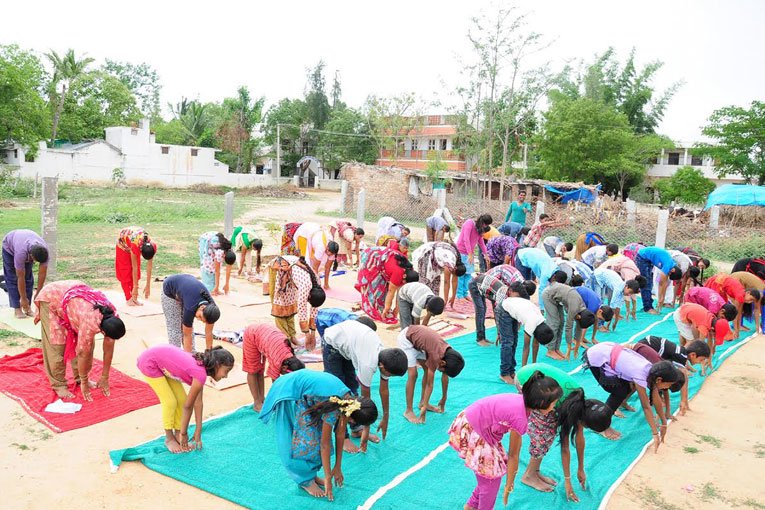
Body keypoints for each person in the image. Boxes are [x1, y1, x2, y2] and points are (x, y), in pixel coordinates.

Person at [448, 372, 562, 510]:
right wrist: (509, 485)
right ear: (542, 403)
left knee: (489, 475)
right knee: (491, 479)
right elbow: (514, 455)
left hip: (472, 422)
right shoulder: (520, 418)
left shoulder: (522, 402)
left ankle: (471, 506)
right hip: (475, 430)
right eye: (553, 403)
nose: (554, 407)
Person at [259, 370, 378, 500]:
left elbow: (339, 434)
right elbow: (325, 444)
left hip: (307, 397)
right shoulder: (335, 405)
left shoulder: (348, 402)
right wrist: (328, 476)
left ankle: (311, 475)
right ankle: (305, 481)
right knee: (303, 443)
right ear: (353, 419)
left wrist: (337, 466)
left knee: (314, 437)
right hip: (289, 392)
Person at [515, 363, 611, 499]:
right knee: (544, 434)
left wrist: (580, 469)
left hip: (540, 377)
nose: (585, 428)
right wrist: (567, 481)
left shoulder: (585, 406)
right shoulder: (570, 407)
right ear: (586, 422)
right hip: (526, 380)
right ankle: (529, 475)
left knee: (549, 431)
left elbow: (579, 438)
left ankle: (535, 471)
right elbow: (565, 447)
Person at [321, 319, 407, 452]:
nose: (389, 377)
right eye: (390, 374)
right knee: (339, 395)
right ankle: (343, 438)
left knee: (351, 388)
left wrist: (386, 416)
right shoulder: (368, 364)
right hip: (332, 343)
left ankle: (356, 429)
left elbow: (384, 390)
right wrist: (367, 430)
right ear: (382, 366)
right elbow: (365, 403)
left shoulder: (385, 357)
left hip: (349, 344)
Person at [33, 280, 126, 400]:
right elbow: (83, 353)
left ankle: (78, 377)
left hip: (74, 300)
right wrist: (84, 382)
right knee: (57, 344)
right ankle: (59, 384)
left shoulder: (112, 315)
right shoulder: (89, 322)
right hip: (52, 297)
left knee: (87, 346)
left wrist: (105, 377)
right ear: (102, 332)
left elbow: (108, 348)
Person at [584, 342, 681, 449]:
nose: (667, 388)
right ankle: (602, 427)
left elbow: (656, 398)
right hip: (597, 355)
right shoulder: (641, 374)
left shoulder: (652, 372)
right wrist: (655, 433)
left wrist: (664, 423)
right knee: (619, 392)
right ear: (659, 380)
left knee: (625, 388)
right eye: (669, 384)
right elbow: (646, 407)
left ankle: (617, 407)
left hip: (608, 351)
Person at [138, 345, 234, 453]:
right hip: (149, 363)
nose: (226, 376)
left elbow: (198, 403)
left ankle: (177, 433)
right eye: (226, 371)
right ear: (217, 365)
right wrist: (184, 433)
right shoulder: (200, 373)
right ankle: (169, 438)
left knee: (182, 399)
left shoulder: (202, 370)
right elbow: (188, 406)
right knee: (170, 402)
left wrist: (198, 431)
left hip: (163, 363)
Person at [398, 325, 465, 424]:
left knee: (426, 368)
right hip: (406, 339)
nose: (441, 372)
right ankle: (408, 410)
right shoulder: (436, 356)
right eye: (441, 371)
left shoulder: (448, 355)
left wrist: (444, 397)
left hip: (419, 343)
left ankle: (422, 402)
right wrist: (424, 409)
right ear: (443, 363)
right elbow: (430, 384)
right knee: (413, 374)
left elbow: (445, 378)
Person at [635, 336, 711, 415]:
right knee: (657, 375)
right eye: (701, 360)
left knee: (662, 373)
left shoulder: (682, 353)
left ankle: (658, 396)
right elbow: (684, 378)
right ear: (693, 355)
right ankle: (655, 399)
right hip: (645, 347)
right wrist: (683, 401)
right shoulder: (680, 356)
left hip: (648, 344)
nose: (700, 362)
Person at [242, 323, 305, 411]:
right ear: (284, 368)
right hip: (252, 335)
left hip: (266, 336)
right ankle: (257, 403)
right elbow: (276, 385)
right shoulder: (278, 361)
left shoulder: (289, 354)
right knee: (253, 370)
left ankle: (262, 399)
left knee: (260, 370)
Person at [269, 256, 326, 349]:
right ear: (309, 296)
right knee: (280, 307)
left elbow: (314, 309)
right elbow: (302, 310)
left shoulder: (317, 286)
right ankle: (286, 339)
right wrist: (307, 335)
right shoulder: (305, 287)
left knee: (290, 304)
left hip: (291, 273)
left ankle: (292, 337)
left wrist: (313, 333)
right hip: (280, 268)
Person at [541, 276, 596, 361]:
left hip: (557, 297)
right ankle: (550, 350)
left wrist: (577, 346)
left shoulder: (583, 310)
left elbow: (579, 328)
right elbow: (569, 328)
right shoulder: (575, 309)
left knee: (561, 322)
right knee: (555, 322)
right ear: (579, 316)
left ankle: (556, 349)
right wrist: (569, 349)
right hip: (548, 295)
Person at [161, 274, 220, 352]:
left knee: (189, 328)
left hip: (185, 290)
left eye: (203, 321)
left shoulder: (212, 310)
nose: (199, 320)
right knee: (175, 328)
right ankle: (175, 354)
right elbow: (187, 334)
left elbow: (209, 332)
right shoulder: (190, 308)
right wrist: (188, 360)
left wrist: (209, 354)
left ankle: (192, 354)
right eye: (200, 317)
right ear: (202, 308)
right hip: (170, 288)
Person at [356, 246, 413, 324]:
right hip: (372, 257)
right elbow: (391, 292)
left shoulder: (410, 270)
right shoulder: (398, 273)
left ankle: (380, 306)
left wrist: (396, 309)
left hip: (384, 260)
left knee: (382, 288)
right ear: (404, 277)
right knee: (373, 286)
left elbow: (401, 294)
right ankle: (371, 305)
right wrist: (386, 309)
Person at [500, 294, 554, 372]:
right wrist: (523, 370)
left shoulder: (541, 322)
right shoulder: (531, 324)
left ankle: (524, 367)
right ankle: (505, 372)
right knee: (509, 342)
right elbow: (526, 347)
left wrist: (534, 365)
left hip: (517, 304)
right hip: (504, 308)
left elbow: (535, 345)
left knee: (513, 341)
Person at [2, 229, 48, 319]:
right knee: (13, 278)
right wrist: (23, 298)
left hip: (25, 242)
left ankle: (27, 308)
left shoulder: (44, 252)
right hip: (10, 247)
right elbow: (20, 277)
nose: (34, 262)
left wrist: (38, 292)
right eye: (34, 260)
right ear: (31, 255)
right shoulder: (21, 253)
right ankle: (17, 308)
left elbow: (42, 273)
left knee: (28, 278)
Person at [674, 302, 732, 373]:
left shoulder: (713, 320)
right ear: (713, 330)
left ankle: (684, 363)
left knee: (686, 338)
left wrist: (709, 359)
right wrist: (703, 369)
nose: (714, 337)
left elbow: (710, 343)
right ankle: (680, 363)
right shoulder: (704, 326)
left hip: (688, 309)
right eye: (715, 335)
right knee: (690, 341)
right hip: (680, 314)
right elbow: (700, 347)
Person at [705, 273, 761, 338]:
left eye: (751, 302)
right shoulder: (740, 296)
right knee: (716, 307)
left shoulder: (742, 295)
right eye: (751, 299)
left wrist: (737, 329)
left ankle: (720, 329)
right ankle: (711, 329)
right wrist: (736, 330)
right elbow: (735, 315)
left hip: (722, 285)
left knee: (724, 306)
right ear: (748, 293)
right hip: (718, 282)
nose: (749, 302)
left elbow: (739, 313)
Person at [411, 241, 465, 307]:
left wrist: (453, 296)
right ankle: (419, 301)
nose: (452, 274)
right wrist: (445, 299)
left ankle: (432, 302)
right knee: (425, 280)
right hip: (428, 253)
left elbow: (454, 281)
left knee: (436, 281)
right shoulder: (450, 264)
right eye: (453, 273)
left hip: (436, 256)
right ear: (455, 268)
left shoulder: (457, 263)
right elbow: (446, 282)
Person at [115, 226, 156, 306]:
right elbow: (134, 268)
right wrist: (135, 287)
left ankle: (134, 298)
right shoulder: (135, 245)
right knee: (126, 270)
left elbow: (149, 267)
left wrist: (148, 285)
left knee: (137, 272)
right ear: (141, 251)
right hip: (123, 245)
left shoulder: (152, 246)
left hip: (134, 242)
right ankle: (129, 298)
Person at [634, 246, 682, 314]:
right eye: (669, 274)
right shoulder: (668, 265)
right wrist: (660, 299)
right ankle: (648, 308)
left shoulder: (671, 266)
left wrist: (662, 299)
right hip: (642, 257)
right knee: (646, 283)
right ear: (673, 271)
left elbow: (665, 283)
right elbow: (661, 283)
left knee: (649, 283)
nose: (668, 274)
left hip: (648, 260)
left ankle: (649, 305)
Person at [455, 214, 493, 300]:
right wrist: (469, 254)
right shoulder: (469, 223)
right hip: (462, 251)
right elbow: (466, 239)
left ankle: (465, 293)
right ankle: (459, 295)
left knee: (468, 274)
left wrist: (486, 254)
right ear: (483, 222)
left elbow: (480, 241)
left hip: (469, 253)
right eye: (486, 224)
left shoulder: (479, 228)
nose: (486, 226)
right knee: (461, 274)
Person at [294, 222, 340, 290]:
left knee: (312, 263)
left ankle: (313, 283)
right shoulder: (321, 247)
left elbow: (328, 267)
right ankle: (302, 283)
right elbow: (315, 268)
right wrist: (317, 284)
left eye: (331, 254)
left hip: (315, 234)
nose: (329, 255)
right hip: (304, 233)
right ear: (327, 249)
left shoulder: (332, 248)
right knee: (304, 261)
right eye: (328, 253)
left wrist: (326, 284)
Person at [601, 253, 645, 322]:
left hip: (615, 268)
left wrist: (634, 309)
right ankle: (611, 313)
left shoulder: (636, 274)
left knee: (617, 292)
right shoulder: (629, 275)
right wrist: (628, 311)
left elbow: (632, 293)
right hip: (606, 268)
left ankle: (614, 312)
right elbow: (627, 293)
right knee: (613, 292)